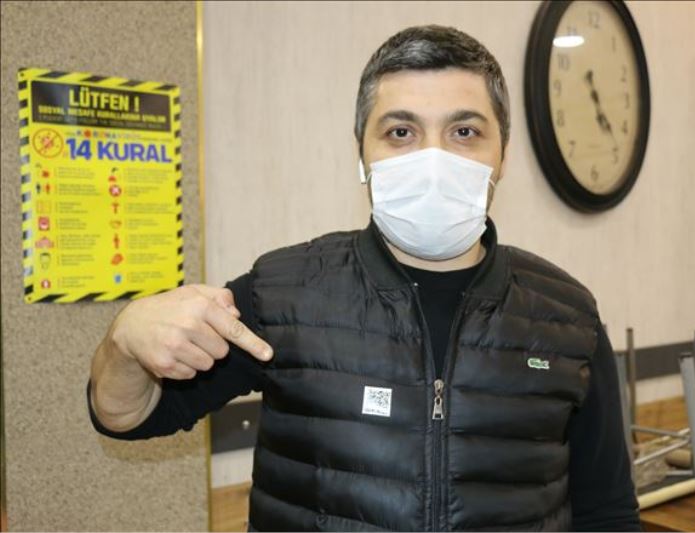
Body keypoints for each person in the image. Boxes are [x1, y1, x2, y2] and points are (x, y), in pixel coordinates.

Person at [87, 24, 640, 532]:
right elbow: (125, 416)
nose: (433, 159)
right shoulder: (283, 292)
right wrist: (124, 342)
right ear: (362, 155)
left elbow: (607, 513)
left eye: (464, 131)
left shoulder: (566, 317)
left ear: (502, 157)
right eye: (401, 131)